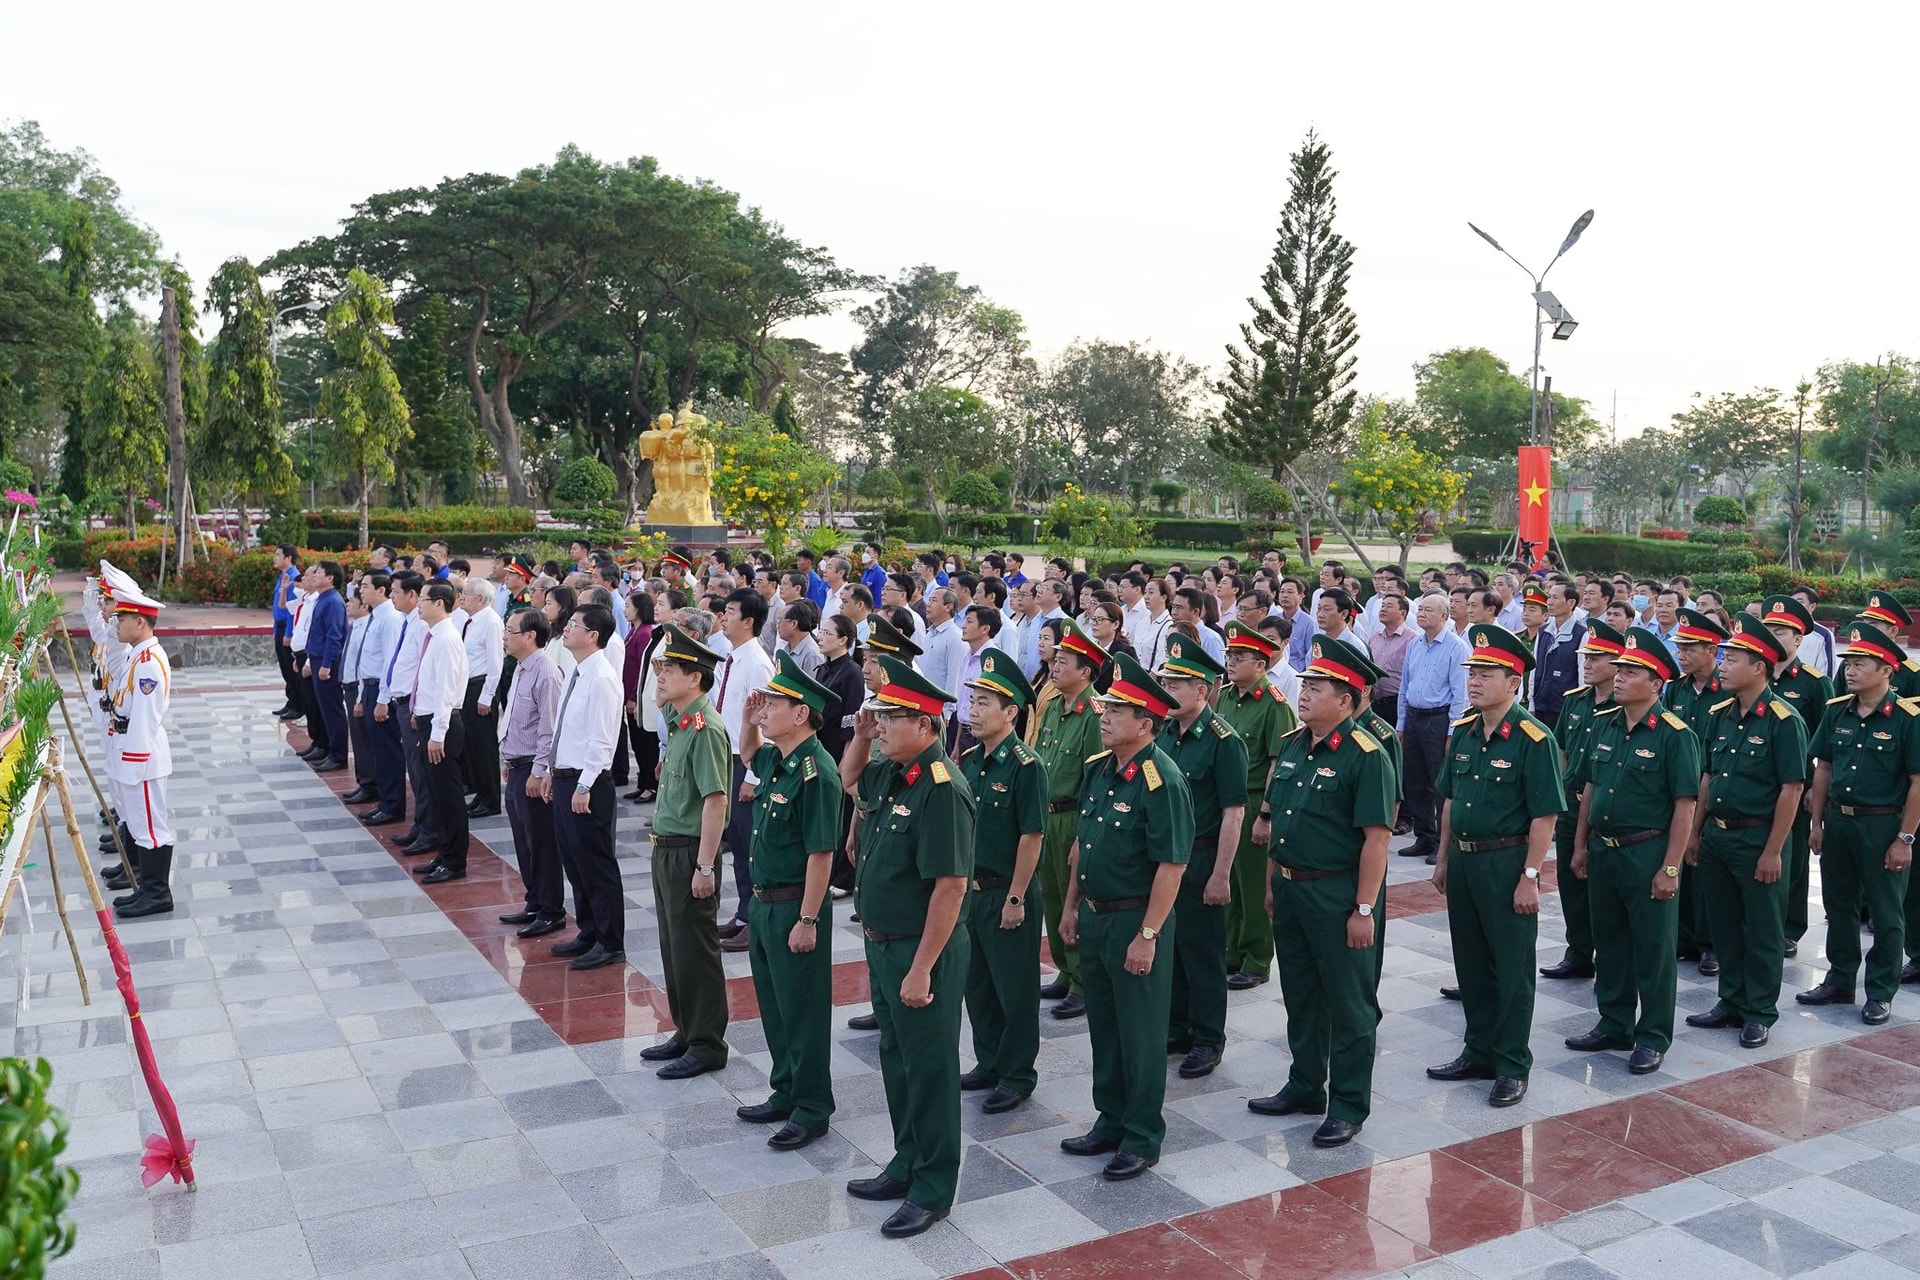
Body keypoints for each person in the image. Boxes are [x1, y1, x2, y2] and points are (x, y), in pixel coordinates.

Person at [839, 656, 975, 1239]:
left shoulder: (941, 789)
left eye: (892, 717)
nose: (881, 723)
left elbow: (950, 887)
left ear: (925, 726)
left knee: (931, 1070)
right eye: (880, 714)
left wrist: (921, 969)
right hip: (883, 943)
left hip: (923, 953)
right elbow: (850, 780)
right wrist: (861, 738)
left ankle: (933, 1186)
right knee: (897, 1062)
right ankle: (905, 1160)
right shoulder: (896, 772)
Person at [1249, 635, 1394, 1148]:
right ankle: (1305, 1084)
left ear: (1347, 699)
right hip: (1291, 892)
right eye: (1305, 683)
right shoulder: (1293, 744)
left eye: (1317, 686)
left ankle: (1349, 1104)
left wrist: (1363, 908)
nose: (1305, 693)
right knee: (1302, 996)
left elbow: (1377, 839)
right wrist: (1272, 883)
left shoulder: (1366, 755)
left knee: (1350, 1004)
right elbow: (1276, 821)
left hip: (1337, 895)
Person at [1056, 651, 1193, 1178]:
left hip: (1136, 920)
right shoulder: (1100, 770)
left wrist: (1150, 933)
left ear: (1146, 722)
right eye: (1105, 706)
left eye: (1117, 709)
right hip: (1095, 916)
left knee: (1140, 1032)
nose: (1104, 715)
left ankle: (1141, 1134)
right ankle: (1109, 1119)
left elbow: (1171, 865)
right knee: (1106, 1026)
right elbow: (1080, 848)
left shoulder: (1162, 779)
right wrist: (1070, 906)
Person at [1426, 626, 1565, 1107]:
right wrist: (1443, 858)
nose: (1475, 681)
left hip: (1507, 862)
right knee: (1471, 961)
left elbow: (1544, 816)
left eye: (1487, 674)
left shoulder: (1533, 738)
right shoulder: (1464, 730)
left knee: (1510, 967)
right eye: (1473, 673)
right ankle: (1477, 1050)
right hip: (1465, 862)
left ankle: (1511, 1062)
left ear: (1515, 682)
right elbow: (1450, 801)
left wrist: (1531, 877)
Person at [1565, 628, 1700, 1075]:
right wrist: (1581, 844)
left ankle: (1653, 1034)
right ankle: (1614, 1021)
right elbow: (1588, 788)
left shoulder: (1675, 734)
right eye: (1618, 669)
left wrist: (1671, 867)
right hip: (1605, 850)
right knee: (1611, 941)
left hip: (1648, 851)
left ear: (1657, 683)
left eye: (1630, 671)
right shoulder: (1603, 724)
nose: (1619, 677)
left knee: (1654, 948)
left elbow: (1685, 805)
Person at [732, 654, 843, 1150]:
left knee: (803, 1011)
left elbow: (822, 855)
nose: (765, 708)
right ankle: (785, 1089)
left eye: (774, 702)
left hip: (796, 904)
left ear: (801, 713)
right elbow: (749, 753)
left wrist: (808, 919)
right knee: (775, 1007)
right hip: (763, 902)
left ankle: (813, 1107)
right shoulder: (780, 759)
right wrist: (747, 720)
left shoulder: (818, 771)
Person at [1681, 615, 1806, 1049]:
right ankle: (1730, 1001)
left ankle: (1758, 1011)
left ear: (1759, 666)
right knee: (1725, 924)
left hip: (1758, 838)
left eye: (1731, 659)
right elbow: (1707, 778)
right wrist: (1695, 835)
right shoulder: (1720, 714)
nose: (1723, 666)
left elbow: (1791, 789)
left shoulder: (1783, 719)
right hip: (1717, 835)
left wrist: (1774, 851)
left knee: (1763, 929)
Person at [1798, 619, 1920, 1025]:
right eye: (1848, 662)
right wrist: (1816, 823)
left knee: (1887, 912)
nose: (1849, 669)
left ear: (1887, 670)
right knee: (1839, 904)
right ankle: (1839, 978)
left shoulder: (1908, 718)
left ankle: (1881, 990)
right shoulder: (1836, 712)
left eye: (1860, 663)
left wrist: (1905, 838)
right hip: (1840, 822)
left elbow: (1918, 783)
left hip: (1883, 825)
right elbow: (1823, 768)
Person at [638, 623, 735, 1074]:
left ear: (695, 677)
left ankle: (707, 1044)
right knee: (674, 948)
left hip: (690, 852)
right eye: (659, 666)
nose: (659, 675)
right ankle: (686, 1029)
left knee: (695, 949)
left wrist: (705, 866)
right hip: (667, 850)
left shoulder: (705, 728)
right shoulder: (679, 724)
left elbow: (716, 800)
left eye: (668, 668)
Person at [957, 651, 1048, 1114]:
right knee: (979, 984)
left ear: (1010, 712)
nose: (972, 710)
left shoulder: (1026, 766)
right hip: (972, 893)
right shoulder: (971, 761)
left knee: (1015, 988)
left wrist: (1016, 896)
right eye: (972, 701)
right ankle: (988, 1060)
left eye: (983, 703)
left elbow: (1032, 836)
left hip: (1008, 892)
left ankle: (1017, 1073)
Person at [1154, 633, 1247, 1079]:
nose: (1167, 691)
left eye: (1176, 685)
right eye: (1166, 682)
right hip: (1166, 860)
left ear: (1203, 690)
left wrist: (1221, 875)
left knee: (1204, 952)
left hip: (1203, 856)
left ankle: (1209, 1037)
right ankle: (1177, 1025)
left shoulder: (1223, 740)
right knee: (1170, 945)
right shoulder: (1165, 733)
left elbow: (1233, 812)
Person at [1032, 619, 1108, 1020]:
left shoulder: (1094, 714)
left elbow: (1096, 777)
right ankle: (1064, 969)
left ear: (1086, 671)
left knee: (1074, 902)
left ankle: (1082, 979)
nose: (1056, 666)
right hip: (1048, 816)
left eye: (1065, 661)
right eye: (1056, 659)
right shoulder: (1054, 707)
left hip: (1074, 817)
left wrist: (1085, 832)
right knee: (1052, 897)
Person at [1216, 621, 1296, 989]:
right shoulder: (1227, 696)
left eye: (1240, 657)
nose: (1231, 662)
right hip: (1225, 802)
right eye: (1229, 655)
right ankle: (1231, 951)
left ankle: (1257, 958)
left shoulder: (1274, 705)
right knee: (1227, 878)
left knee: (1252, 884)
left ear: (1261, 665)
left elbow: (1277, 764)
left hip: (1252, 800)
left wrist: (1265, 813)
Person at [1761, 595, 1834, 958]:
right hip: (1757, 782)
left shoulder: (1814, 683)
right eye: (1768, 629)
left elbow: (1828, 739)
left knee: (1790, 859)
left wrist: (1814, 790)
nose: (1773, 637)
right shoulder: (1755, 674)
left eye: (1780, 631)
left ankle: (1789, 926)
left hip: (1797, 781)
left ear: (1798, 638)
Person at [103, 585, 176, 919]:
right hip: (132, 751)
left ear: (142, 623)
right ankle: (146, 887)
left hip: (143, 758)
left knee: (151, 827)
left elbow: (145, 720)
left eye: (123, 618)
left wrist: (131, 766)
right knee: (140, 824)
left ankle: (158, 894)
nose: (117, 623)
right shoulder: (137, 654)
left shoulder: (147, 662)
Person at [1666, 608, 1731, 976]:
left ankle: (1710, 945)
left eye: (1690, 648)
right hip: (1677, 791)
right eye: (1680, 647)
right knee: (1678, 865)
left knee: (1704, 869)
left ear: (1712, 649)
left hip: (1709, 789)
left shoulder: (1725, 692)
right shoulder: (1674, 689)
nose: (1683, 654)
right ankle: (1684, 938)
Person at [496, 608, 568, 938]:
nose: (505, 636)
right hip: (517, 764)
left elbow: (549, 730)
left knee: (541, 843)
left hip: (533, 769)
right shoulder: (523, 668)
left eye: (510, 631)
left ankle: (551, 909)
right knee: (524, 842)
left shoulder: (546, 672)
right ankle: (534, 901)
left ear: (529, 636)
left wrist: (539, 772)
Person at [715, 588, 776, 952]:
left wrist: (753, 776)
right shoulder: (732, 657)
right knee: (737, 844)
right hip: (727, 759)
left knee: (749, 844)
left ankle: (755, 919)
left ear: (749, 621)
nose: (723, 616)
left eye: (730, 611)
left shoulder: (756, 662)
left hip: (745, 762)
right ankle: (742, 912)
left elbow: (764, 720)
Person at [1397, 594, 1471, 862]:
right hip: (1414, 717)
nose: (1423, 614)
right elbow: (1405, 687)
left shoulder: (1456, 647)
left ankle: (1443, 841)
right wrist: (1401, 724)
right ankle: (1424, 836)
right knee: (1414, 780)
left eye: (1429, 610)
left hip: (1439, 719)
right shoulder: (1415, 644)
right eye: (1421, 609)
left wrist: (1453, 732)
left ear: (1444, 616)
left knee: (1439, 781)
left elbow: (1461, 695)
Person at [410, 582, 472, 884]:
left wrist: (437, 733)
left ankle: (455, 860)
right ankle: (444, 853)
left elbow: (446, 692)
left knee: (449, 797)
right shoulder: (434, 636)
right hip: (430, 722)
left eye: (423, 599)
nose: (418, 604)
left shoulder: (446, 639)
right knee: (436, 795)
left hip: (442, 726)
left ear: (438, 603)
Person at [460, 577, 505, 818]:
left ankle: (491, 798)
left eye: (466, 594)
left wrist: (486, 697)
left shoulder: (491, 621)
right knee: (472, 746)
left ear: (480, 598)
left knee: (484, 746)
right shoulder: (471, 621)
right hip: (468, 687)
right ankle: (480, 793)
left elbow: (495, 663)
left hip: (481, 687)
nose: (462, 597)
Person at [302, 562, 349, 770]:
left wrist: (327, 664)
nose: (314, 576)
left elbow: (334, 636)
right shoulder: (323, 599)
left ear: (330, 578)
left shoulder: (332, 602)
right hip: (316, 657)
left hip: (325, 660)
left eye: (319, 573)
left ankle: (338, 755)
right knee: (323, 709)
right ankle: (328, 748)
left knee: (332, 709)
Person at [1532, 585, 1586, 728]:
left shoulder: (1581, 633)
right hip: (1541, 704)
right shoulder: (1543, 631)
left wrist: (1579, 708)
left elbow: (1583, 675)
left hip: (1565, 707)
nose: (1549, 602)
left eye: (1555, 598)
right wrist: (1532, 702)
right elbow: (1535, 668)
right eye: (1549, 597)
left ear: (1571, 603)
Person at [1367, 593, 1415, 728]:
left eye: (1389, 606)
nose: (1383, 609)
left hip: (1396, 705)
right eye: (1382, 606)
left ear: (1402, 613)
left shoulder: (1412, 640)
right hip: (1374, 703)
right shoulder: (1374, 638)